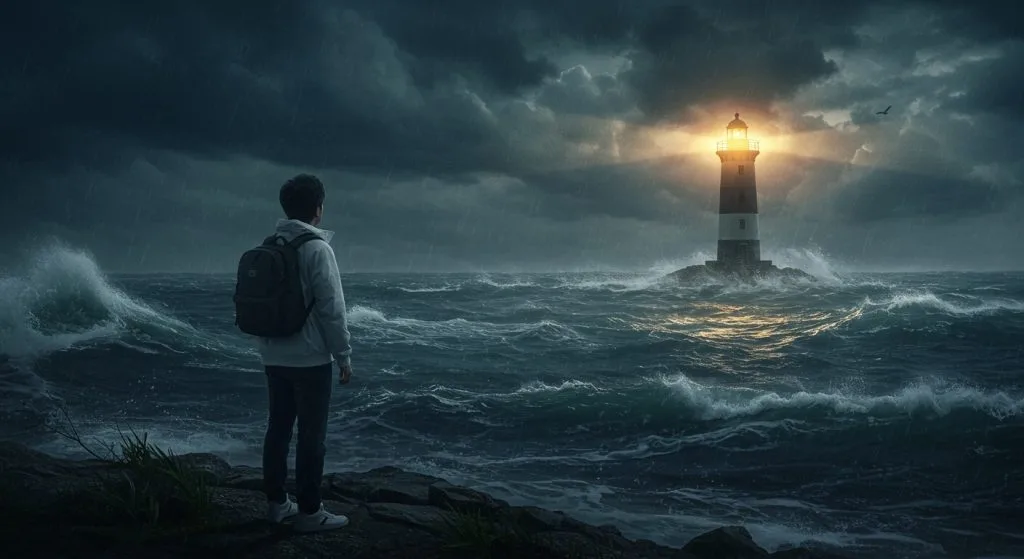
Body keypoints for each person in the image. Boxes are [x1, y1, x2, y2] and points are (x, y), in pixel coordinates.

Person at [256, 174, 353, 532]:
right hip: (310, 359)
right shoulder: (317, 249)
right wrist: (343, 355)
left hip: (273, 354)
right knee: (312, 437)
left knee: (278, 430)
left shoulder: (271, 244)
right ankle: (311, 512)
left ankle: (277, 503)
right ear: (318, 209)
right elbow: (332, 308)